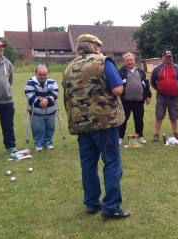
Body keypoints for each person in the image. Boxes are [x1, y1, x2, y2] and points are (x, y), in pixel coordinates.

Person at [62, 34, 130, 220]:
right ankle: (112, 207)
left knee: (88, 164)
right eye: (98, 46)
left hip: (80, 123)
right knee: (112, 163)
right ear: (93, 47)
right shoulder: (103, 62)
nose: (99, 49)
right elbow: (117, 89)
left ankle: (92, 203)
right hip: (104, 122)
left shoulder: (69, 67)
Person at [150, 50, 178, 141]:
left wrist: (175, 88)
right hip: (161, 96)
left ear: (172, 58)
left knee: (174, 115)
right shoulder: (157, 69)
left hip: (174, 96)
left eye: (170, 57)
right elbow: (152, 82)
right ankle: (156, 134)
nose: (168, 58)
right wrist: (160, 89)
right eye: (166, 57)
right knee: (159, 114)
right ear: (163, 58)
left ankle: (176, 133)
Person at [118, 52, 152, 145]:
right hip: (125, 101)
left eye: (131, 60)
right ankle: (120, 137)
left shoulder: (140, 71)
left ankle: (140, 136)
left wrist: (148, 96)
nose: (130, 62)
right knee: (123, 120)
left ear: (134, 61)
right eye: (127, 60)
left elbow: (146, 84)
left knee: (139, 119)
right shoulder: (120, 72)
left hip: (139, 101)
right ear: (124, 62)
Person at [24, 65, 59, 151]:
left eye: (45, 74)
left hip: (50, 110)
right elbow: (28, 93)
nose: (43, 77)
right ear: (36, 74)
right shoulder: (31, 81)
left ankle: (48, 141)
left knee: (50, 127)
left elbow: (56, 92)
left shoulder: (52, 82)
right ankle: (39, 143)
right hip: (36, 111)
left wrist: (47, 100)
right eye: (40, 74)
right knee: (37, 127)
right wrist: (39, 101)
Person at [0, 39, 17, 154]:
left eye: (2, 47)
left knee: (8, 125)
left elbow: (10, 80)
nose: (2, 49)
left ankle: (10, 146)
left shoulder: (7, 63)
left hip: (7, 101)